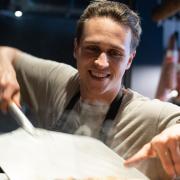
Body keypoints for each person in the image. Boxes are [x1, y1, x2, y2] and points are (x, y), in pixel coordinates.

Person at [0, 0, 180, 179]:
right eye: (92, 49)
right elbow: (6, 53)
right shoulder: (59, 81)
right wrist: (5, 69)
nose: (101, 63)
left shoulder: (149, 115)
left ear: (130, 60)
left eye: (115, 53)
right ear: (76, 49)